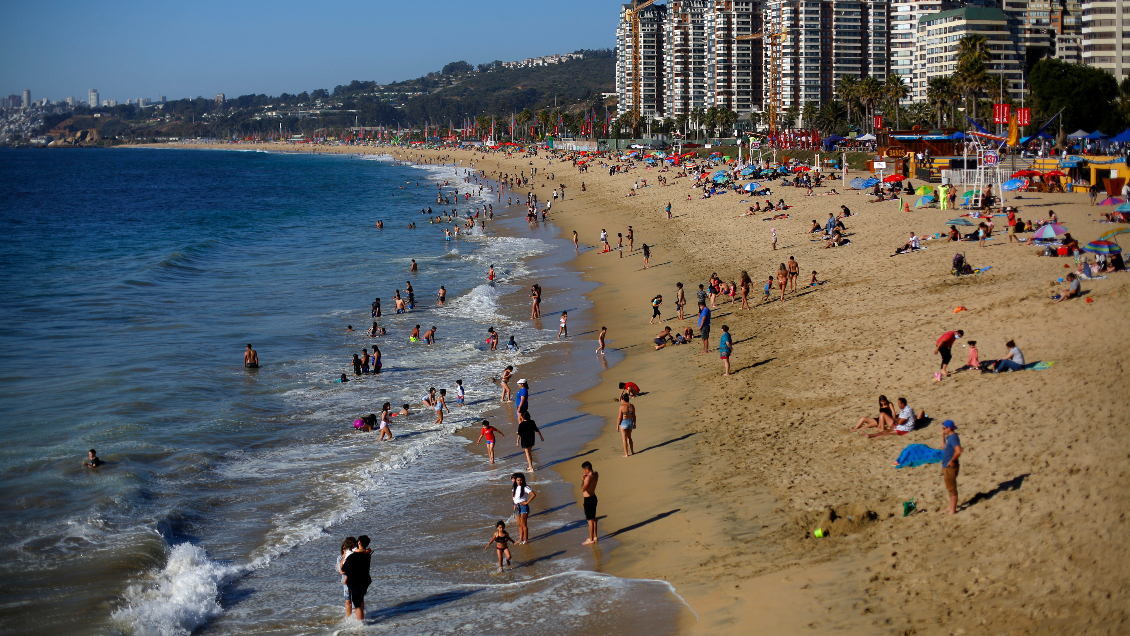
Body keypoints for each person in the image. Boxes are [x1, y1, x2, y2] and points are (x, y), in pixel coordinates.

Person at [340, 535, 372, 621]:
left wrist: (344, 558)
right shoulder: (367, 555)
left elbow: (344, 570)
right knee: (360, 600)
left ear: (359, 543)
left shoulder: (352, 557)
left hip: (355, 583)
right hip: (365, 581)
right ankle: (363, 618)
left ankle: (361, 623)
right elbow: (364, 551)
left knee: (357, 605)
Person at [941, 420, 962, 514]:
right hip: (946, 466)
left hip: (950, 466)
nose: (943, 430)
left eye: (944, 428)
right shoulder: (949, 437)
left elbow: (959, 451)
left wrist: (952, 460)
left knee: (952, 488)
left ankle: (953, 509)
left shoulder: (953, 438)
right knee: (950, 487)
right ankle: (950, 507)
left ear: (949, 428)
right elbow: (943, 447)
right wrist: (942, 437)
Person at [511, 473, 537, 544]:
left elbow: (533, 494)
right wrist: (514, 503)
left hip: (523, 506)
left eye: (521, 480)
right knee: (519, 525)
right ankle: (520, 539)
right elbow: (512, 494)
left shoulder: (525, 487)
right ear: (515, 480)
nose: (519, 481)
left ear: (523, 480)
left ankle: (525, 540)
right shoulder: (514, 487)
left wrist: (526, 502)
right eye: (518, 480)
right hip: (517, 506)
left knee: (524, 524)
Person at [581, 461, 599, 545]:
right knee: (594, 518)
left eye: (584, 470)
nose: (584, 471)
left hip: (588, 499)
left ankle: (591, 538)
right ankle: (595, 536)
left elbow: (583, 489)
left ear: (587, 469)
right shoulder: (596, 474)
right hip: (593, 497)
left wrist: (583, 480)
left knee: (589, 520)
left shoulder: (588, 477)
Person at [338, 537, 357, 616]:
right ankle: (349, 617)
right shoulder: (340, 558)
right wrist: (343, 558)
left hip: (355, 578)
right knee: (347, 600)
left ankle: (359, 616)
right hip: (346, 580)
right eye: (343, 549)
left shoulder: (354, 554)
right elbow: (340, 569)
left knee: (357, 599)